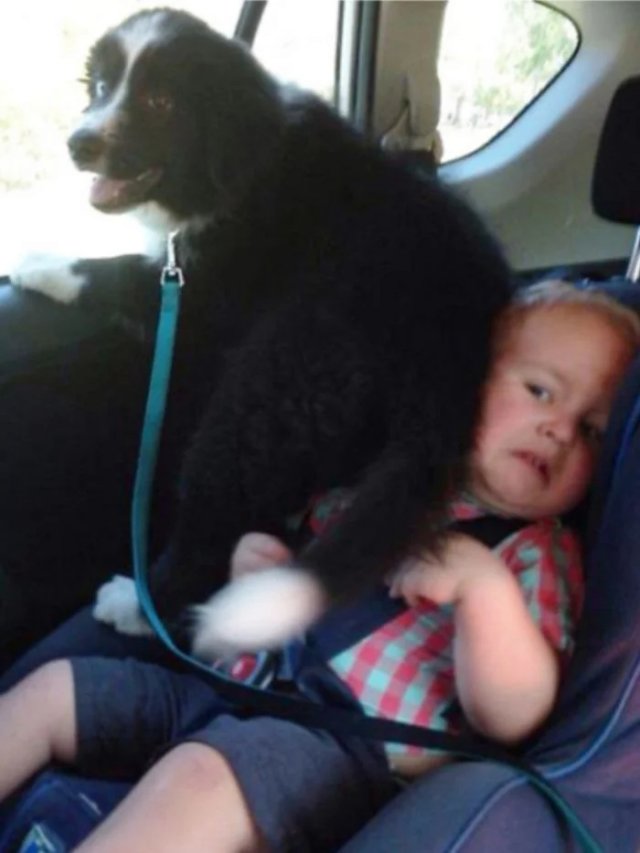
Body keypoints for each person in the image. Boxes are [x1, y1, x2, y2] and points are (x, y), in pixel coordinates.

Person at [0, 280, 638, 853]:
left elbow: (518, 715)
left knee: (200, 778)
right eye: (539, 392)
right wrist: (257, 572)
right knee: (57, 690)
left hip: (337, 753)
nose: (559, 430)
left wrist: (485, 594)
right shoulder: (385, 483)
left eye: (592, 430)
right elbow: (297, 581)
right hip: (231, 690)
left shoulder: (539, 553)